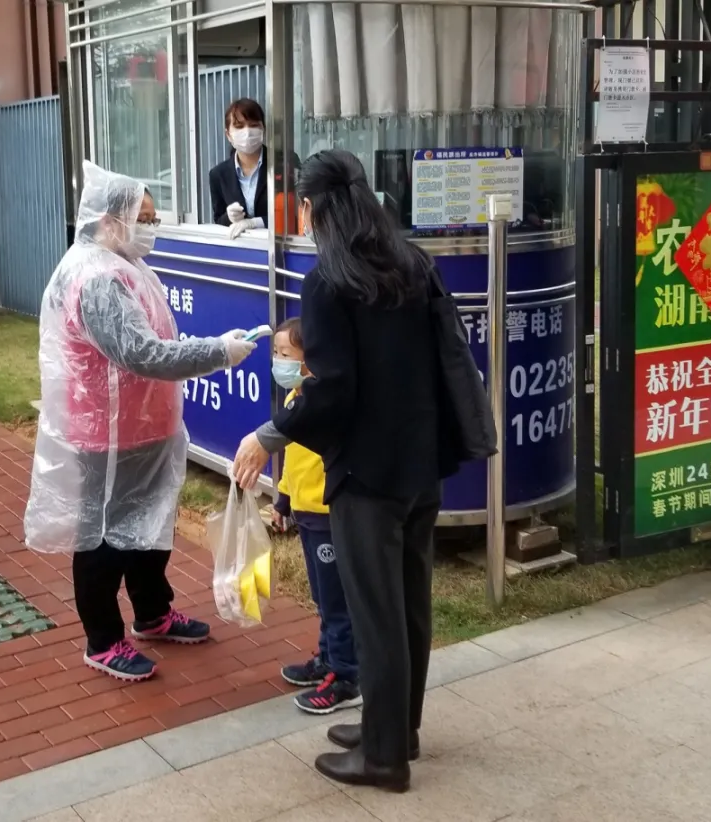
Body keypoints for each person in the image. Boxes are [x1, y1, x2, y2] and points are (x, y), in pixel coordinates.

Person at [232, 150, 446, 792]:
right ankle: (398, 729)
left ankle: (383, 758)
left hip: (366, 475)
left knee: (376, 613)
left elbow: (332, 391)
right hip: (421, 462)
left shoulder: (329, 281)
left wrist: (269, 435)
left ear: (310, 209)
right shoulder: (412, 263)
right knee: (408, 604)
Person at [25, 160, 257, 682]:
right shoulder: (97, 278)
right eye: (144, 218)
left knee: (150, 529)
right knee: (105, 538)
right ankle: (103, 639)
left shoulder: (124, 263)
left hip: (144, 426)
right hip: (108, 434)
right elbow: (142, 353)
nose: (152, 226)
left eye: (153, 217)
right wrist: (217, 352)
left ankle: (153, 612)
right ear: (111, 220)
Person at [269, 318, 360, 715]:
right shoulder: (295, 399)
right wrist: (282, 501)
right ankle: (327, 660)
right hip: (305, 514)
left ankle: (346, 676)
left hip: (326, 515)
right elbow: (292, 461)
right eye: (276, 353)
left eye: (285, 354)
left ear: (311, 361)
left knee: (337, 600)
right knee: (322, 597)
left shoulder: (323, 406)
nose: (278, 361)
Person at [209, 99, 300, 239]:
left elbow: (295, 213)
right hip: (242, 248)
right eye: (239, 126)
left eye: (253, 125)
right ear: (228, 135)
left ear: (263, 128)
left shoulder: (284, 163)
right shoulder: (218, 174)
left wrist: (254, 223)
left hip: (280, 244)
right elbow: (218, 220)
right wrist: (229, 217)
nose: (247, 132)